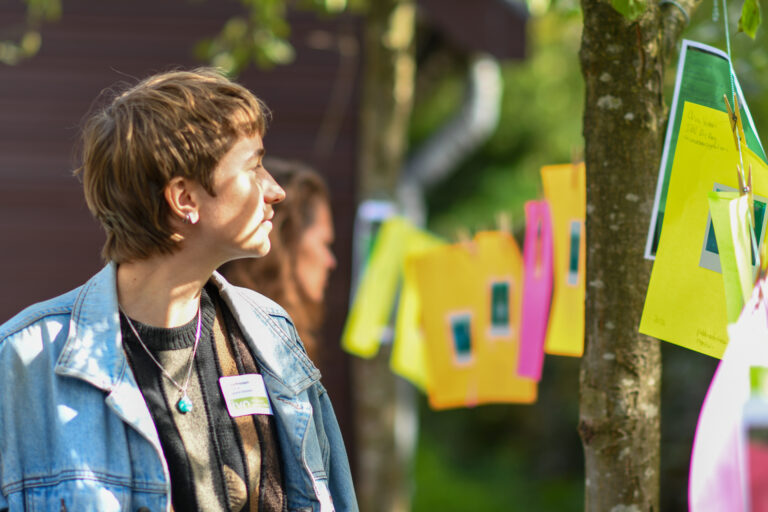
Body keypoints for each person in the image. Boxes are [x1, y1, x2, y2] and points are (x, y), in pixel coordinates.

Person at [0, 68, 357, 512]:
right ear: (184, 199)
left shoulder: (271, 334)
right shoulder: (20, 365)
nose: (276, 191)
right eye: (254, 166)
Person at [220, 159, 336, 368]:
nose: (331, 262)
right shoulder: (238, 338)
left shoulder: (283, 331)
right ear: (287, 239)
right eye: (324, 243)